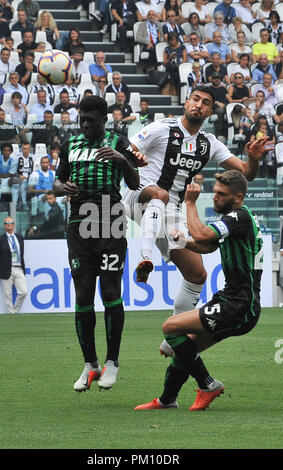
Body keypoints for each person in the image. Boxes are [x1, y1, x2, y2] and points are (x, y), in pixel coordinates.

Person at [122, 86, 269, 328]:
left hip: (170, 210)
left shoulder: (209, 143)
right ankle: (145, 257)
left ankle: (175, 334)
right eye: (195, 99)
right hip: (139, 194)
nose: (198, 105)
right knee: (160, 194)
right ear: (186, 102)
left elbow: (246, 174)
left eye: (205, 102)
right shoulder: (162, 128)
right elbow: (127, 151)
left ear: (210, 111)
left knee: (197, 274)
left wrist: (253, 158)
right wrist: (133, 159)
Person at [134, 169, 264, 411]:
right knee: (187, 348)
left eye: (221, 194)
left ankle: (208, 384)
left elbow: (202, 233)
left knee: (170, 329)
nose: (215, 197)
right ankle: (166, 400)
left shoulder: (239, 217)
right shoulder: (239, 218)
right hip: (236, 302)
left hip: (238, 305)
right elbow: (208, 245)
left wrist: (190, 203)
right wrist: (184, 242)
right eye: (214, 192)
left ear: (238, 197)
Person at [53, 95, 142, 392]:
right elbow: (57, 181)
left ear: (104, 120)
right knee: (82, 295)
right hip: (79, 223)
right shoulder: (70, 145)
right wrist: (61, 187)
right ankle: (90, 364)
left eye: (91, 121)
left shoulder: (119, 142)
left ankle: (112, 363)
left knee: (111, 291)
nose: (85, 125)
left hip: (111, 220)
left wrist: (121, 160)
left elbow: (133, 182)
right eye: (82, 120)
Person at [0, 216, 27, 314]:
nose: (8, 224)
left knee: (23, 292)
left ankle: (15, 312)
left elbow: (21, 253)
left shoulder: (19, 238)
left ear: (14, 224)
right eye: (6, 223)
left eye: (10, 222)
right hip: (6, 269)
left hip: (19, 268)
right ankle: (10, 314)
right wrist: (2, 267)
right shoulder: (0, 240)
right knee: (7, 294)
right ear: (4, 225)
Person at [0, 143, 20, 208]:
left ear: (11, 152)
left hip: (6, 178)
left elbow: (11, 173)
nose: (6, 152)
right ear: (2, 151)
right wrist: (2, 175)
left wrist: (1, 175)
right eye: (4, 150)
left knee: (16, 181)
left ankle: (14, 203)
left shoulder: (14, 160)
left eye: (8, 150)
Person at [163, 31, 187, 96]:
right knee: (173, 67)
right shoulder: (167, 49)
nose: (172, 42)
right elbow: (164, 63)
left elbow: (185, 60)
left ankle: (176, 88)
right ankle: (174, 88)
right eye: (170, 40)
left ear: (176, 39)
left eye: (173, 40)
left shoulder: (182, 48)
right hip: (169, 66)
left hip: (180, 65)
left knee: (177, 68)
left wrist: (180, 63)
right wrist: (170, 58)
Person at [16, 142, 34, 211]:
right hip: (21, 178)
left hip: (32, 178)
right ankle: (24, 204)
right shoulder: (17, 157)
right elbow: (14, 171)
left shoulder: (33, 157)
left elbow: (35, 169)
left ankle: (35, 205)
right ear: (21, 149)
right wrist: (18, 176)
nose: (25, 150)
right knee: (23, 182)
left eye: (27, 149)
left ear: (30, 149)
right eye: (24, 149)